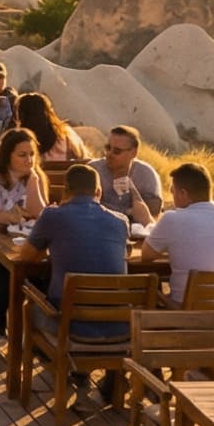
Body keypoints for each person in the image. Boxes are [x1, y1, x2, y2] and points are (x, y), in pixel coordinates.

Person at [28, 163, 134, 399]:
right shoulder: (120, 222)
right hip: (119, 329)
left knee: (30, 304)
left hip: (72, 328)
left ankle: (55, 370)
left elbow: (27, 256)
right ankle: (105, 379)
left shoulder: (53, 216)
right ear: (98, 192)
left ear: (65, 191)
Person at [146, 162, 214, 305]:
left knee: (150, 296)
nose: (173, 198)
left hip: (193, 315)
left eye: (173, 192)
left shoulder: (173, 219)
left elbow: (146, 255)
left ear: (183, 193)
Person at [0, 129, 47, 335]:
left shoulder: (34, 177)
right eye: (22, 155)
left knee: (43, 269)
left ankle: (32, 331)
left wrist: (33, 183)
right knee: (4, 269)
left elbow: (40, 214)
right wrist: (10, 216)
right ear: (8, 156)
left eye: (32, 154)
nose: (29, 160)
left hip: (22, 240)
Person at [87, 125, 162, 228]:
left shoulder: (146, 174)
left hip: (136, 232)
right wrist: (127, 211)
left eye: (117, 151)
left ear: (133, 153)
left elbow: (152, 216)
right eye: (108, 148)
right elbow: (84, 208)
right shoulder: (93, 170)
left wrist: (133, 191)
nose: (109, 154)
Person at [16, 92, 87, 170]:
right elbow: (83, 159)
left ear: (21, 116)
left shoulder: (17, 142)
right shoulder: (65, 135)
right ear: (47, 112)